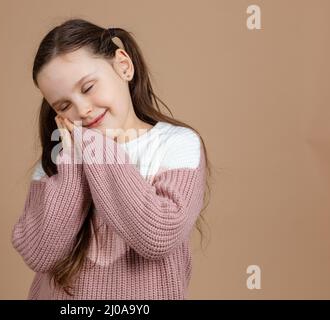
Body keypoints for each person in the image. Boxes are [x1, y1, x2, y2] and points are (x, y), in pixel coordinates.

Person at [11, 18, 212, 300]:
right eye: (64, 105)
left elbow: (157, 236)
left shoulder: (175, 145)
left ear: (123, 65)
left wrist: (94, 145)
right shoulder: (59, 159)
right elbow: (40, 253)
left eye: (88, 87)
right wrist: (70, 165)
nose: (82, 110)